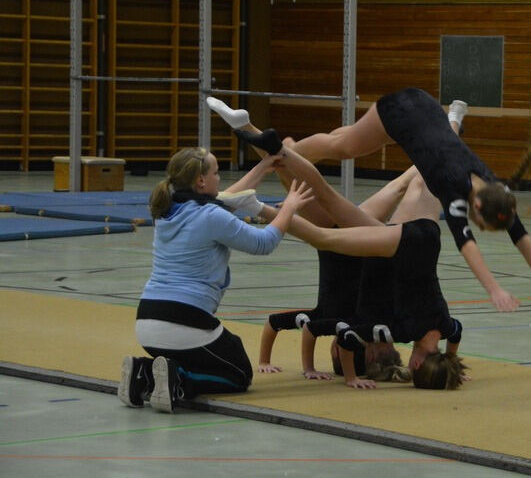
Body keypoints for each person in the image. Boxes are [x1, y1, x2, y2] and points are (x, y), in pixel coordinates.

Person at [207, 89, 531, 312]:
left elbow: (520, 235)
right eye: (481, 223)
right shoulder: (454, 190)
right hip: (399, 113)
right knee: (343, 147)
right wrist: (494, 289)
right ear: (477, 209)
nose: (477, 225)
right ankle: (276, 148)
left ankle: (276, 147)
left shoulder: (495, 189)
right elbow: (468, 246)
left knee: (346, 138)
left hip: (424, 108)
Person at [250, 135, 468, 389]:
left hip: (425, 239)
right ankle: (259, 200)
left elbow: (456, 332)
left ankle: (448, 129)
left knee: (420, 180)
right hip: (386, 245)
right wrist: (349, 377)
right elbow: (345, 336)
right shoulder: (397, 330)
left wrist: (451, 365)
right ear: (417, 364)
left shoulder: (440, 326)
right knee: (322, 216)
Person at [117, 147, 312, 413]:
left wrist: (264, 167)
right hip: (184, 321)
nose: (220, 179)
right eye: (217, 173)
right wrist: (288, 208)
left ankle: (144, 372)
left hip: (147, 319)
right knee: (238, 373)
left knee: (211, 356)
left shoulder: (167, 209)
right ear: (200, 181)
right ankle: (179, 381)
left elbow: (227, 197)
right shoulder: (211, 216)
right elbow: (263, 243)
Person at [257, 167, 419, 380]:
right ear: (336, 352)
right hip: (334, 235)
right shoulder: (334, 320)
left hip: (361, 235)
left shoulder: (362, 321)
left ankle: (434, 149)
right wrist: (280, 364)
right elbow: (276, 324)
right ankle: (272, 164)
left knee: (398, 187)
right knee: (295, 183)